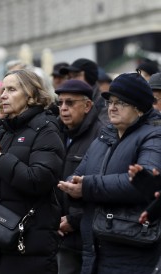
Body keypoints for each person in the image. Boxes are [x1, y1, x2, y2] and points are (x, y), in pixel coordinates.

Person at [0, 69, 65, 274]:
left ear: (32, 96)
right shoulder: (3, 131)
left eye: (12, 89)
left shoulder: (47, 130)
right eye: (3, 89)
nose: (3, 94)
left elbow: (37, 180)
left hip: (30, 243)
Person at [58, 72, 161, 274]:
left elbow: (144, 181)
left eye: (121, 103)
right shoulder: (104, 137)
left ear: (139, 108)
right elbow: (78, 175)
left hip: (131, 249)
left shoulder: (154, 136)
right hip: (94, 249)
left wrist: (87, 187)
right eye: (110, 102)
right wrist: (73, 187)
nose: (112, 107)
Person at [55, 79, 104, 274]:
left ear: (87, 106)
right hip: (58, 234)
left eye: (70, 102)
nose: (64, 108)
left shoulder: (101, 136)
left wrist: (74, 221)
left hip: (88, 237)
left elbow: (101, 189)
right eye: (60, 103)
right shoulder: (56, 133)